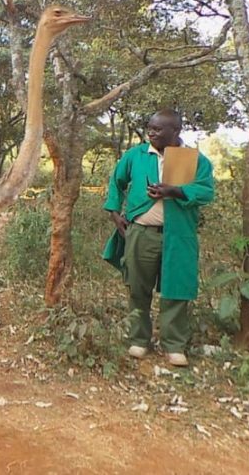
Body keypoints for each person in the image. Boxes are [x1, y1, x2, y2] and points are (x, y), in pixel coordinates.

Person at [102, 109, 214, 367]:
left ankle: (174, 345)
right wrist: (114, 212)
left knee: (176, 290)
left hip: (178, 235)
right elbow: (116, 182)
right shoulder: (137, 155)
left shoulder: (191, 159)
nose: (151, 132)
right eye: (149, 127)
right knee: (138, 287)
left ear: (175, 131)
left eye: (158, 129)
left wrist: (176, 191)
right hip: (141, 233)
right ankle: (139, 340)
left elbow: (206, 192)